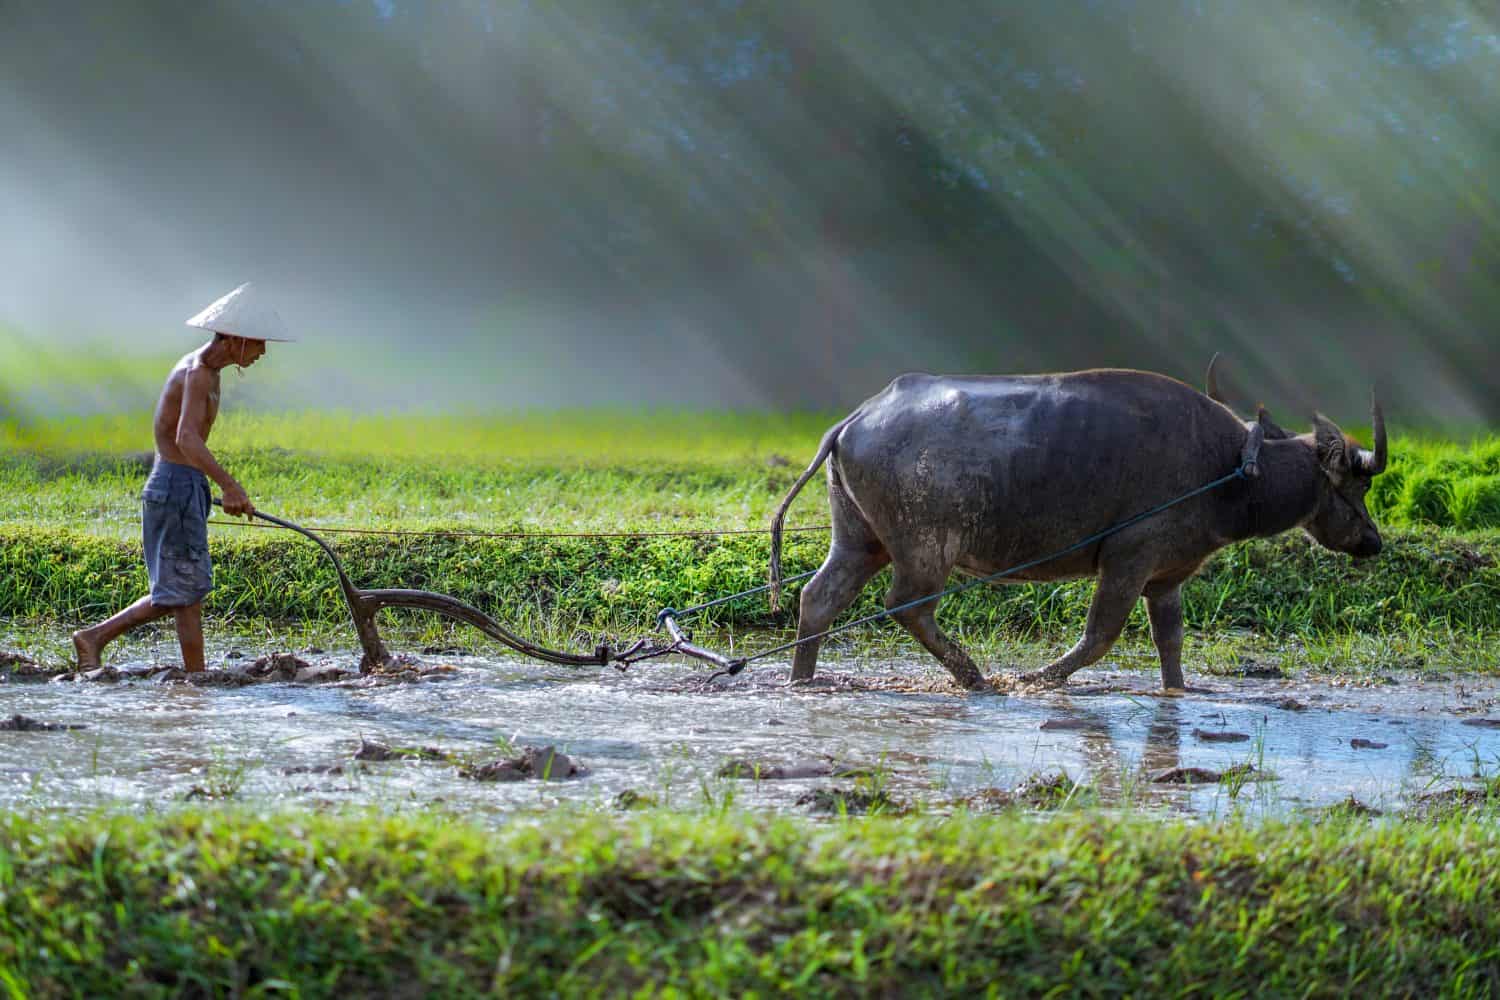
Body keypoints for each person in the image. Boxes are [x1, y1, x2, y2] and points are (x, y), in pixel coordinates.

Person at [72, 283, 294, 672]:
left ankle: (188, 677)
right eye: (259, 343)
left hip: (183, 484)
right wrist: (229, 484)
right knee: (184, 591)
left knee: (185, 590)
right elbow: (186, 438)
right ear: (236, 339)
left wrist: (206, 487)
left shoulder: (211, 370)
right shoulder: (199, 373)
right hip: (175, 483)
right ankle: (106, 641)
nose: (263, 352)